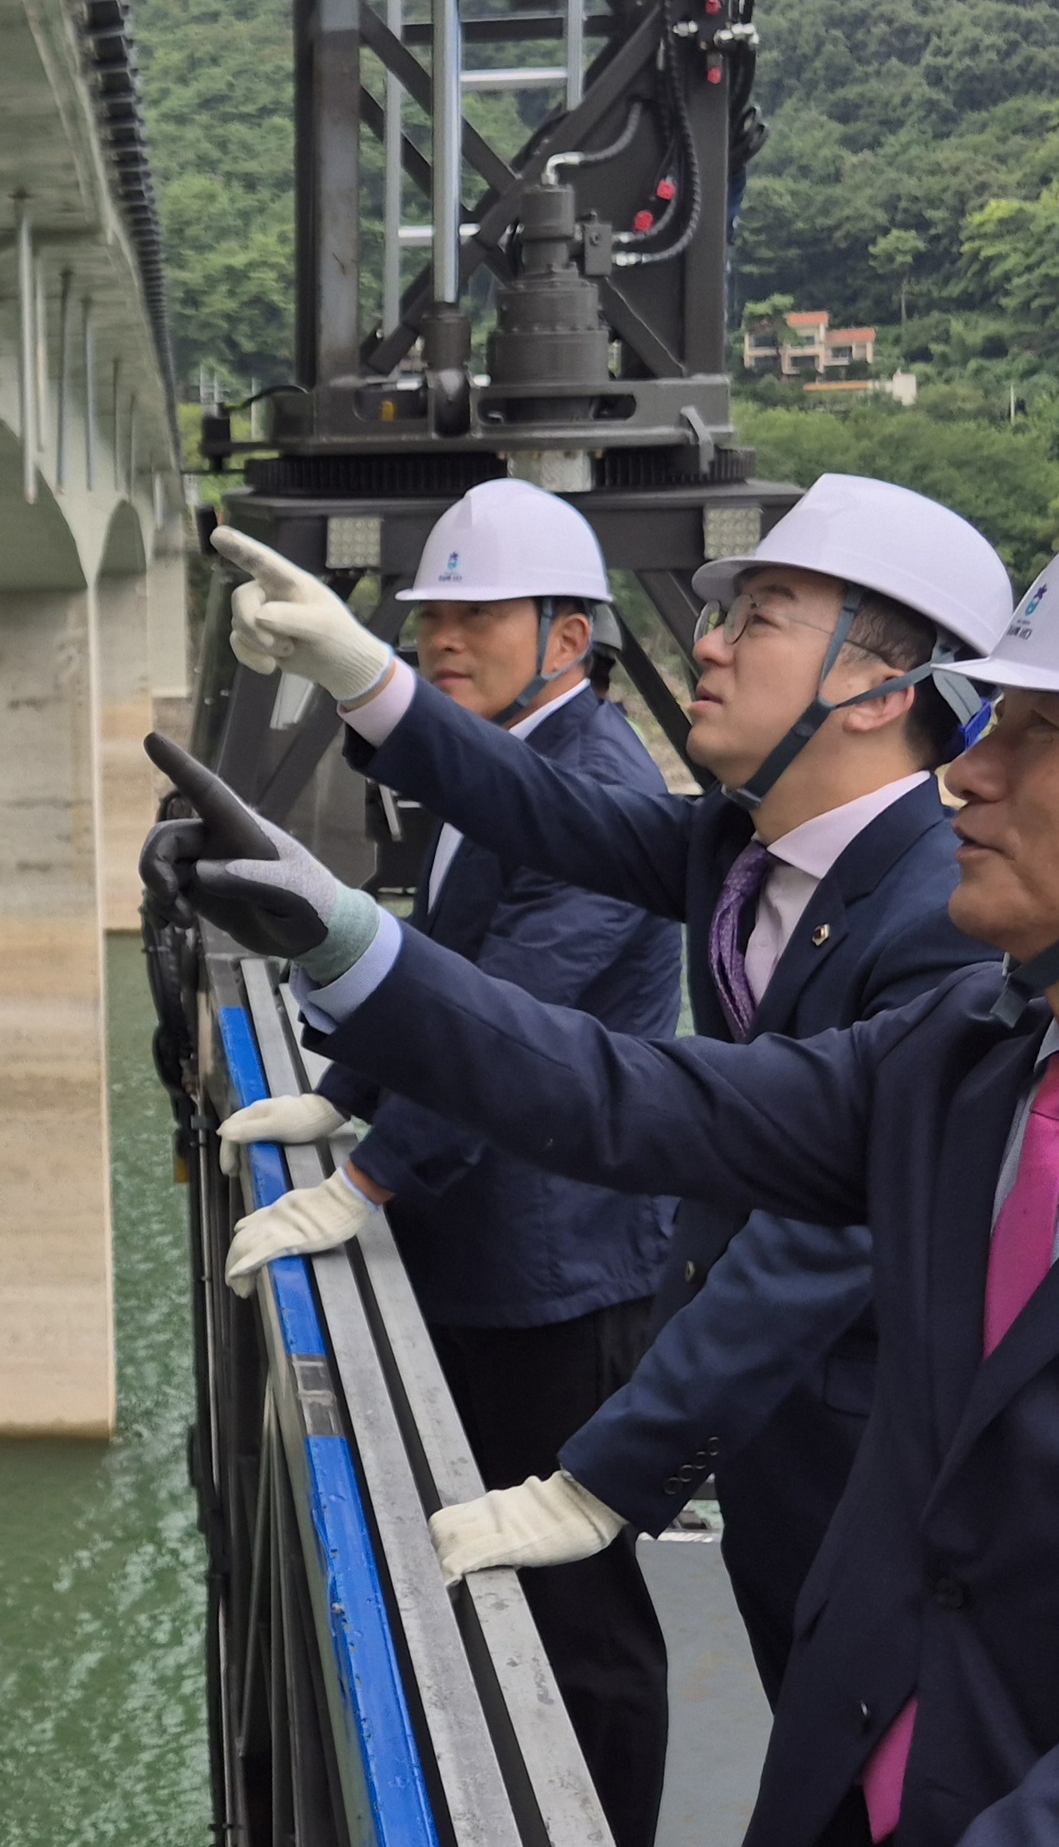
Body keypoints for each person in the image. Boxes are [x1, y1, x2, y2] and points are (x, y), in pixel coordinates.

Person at [154, 482, 1059, 1846]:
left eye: (1046, 733)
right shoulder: (979, 1054)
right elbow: (639, 1095)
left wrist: (610, 1471)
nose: (969, 773)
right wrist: (344, 937)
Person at [209, 476, 1011, 1694]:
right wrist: (360, 670)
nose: (708, 641)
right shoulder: (743, 846)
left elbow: (826, 1229)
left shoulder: (942, 920)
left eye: (761, 617)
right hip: (764, 1420)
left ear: (881, 688)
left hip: (869, 1443)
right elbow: (540, 804)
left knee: (862, 1738)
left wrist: (608, 1471)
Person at [212, 481, 683, 1847]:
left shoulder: (594, 787)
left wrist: (357, 1181)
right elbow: (447, 973)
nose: (447, 638)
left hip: (559, 1264)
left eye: (480, 611)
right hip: (486, 1236)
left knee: (583, 1604)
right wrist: (343, 1092)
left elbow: (510, 1039)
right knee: (484, 1539)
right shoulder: (508, 763)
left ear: (575, 634)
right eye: (432, 615)